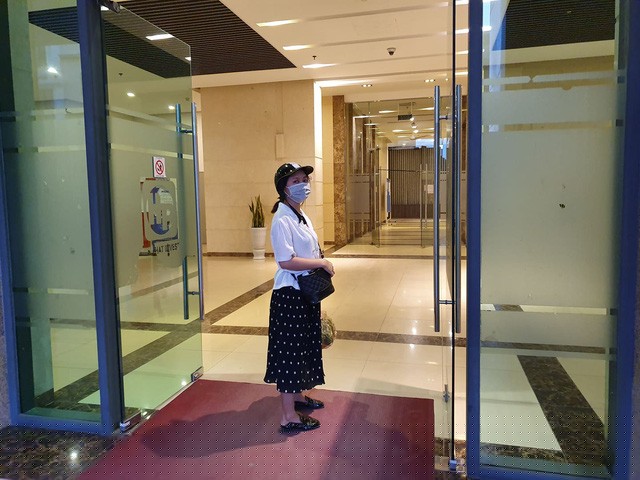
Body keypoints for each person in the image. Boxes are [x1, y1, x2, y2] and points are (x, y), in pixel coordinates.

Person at [264, 162, 335, 433]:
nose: (303, 184)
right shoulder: (281, 219)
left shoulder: (300, 214)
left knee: (304, 347)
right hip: (289, 296)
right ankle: (288, 416)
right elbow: (285, 261)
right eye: (295, 181)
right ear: (283, 188)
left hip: (304, 292)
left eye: (304, 179)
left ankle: (296, 396)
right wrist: (322, 263)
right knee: (290, 354)